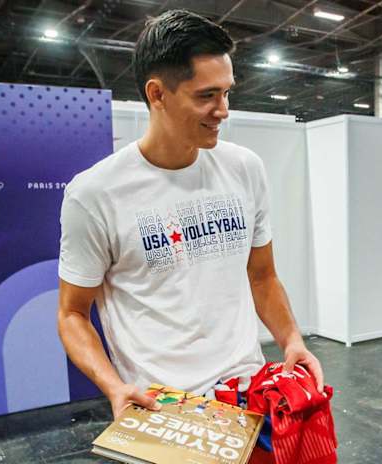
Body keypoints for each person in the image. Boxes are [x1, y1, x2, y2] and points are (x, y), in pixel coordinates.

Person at [56, 9, 323, 423]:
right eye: (206, 96)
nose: (224, 110)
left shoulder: (244, 169)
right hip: (161, 408)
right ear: (157, 94)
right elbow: (72, 314)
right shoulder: (94, 194)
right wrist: (114, 386)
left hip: (246, 394)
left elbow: (262, 277)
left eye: (227, 92)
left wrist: (291, 340)